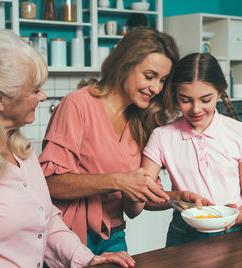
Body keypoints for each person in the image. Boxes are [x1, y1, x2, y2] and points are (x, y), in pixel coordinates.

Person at [0, 30, 135, 268]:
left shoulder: (20, 148)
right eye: (35, 90)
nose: (43, 97)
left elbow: (45, 218)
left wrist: (86, 257)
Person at [38, 27, 180, 254]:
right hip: (68, 237)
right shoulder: (78, 104)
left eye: (163, 80)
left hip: (113, 236)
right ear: (124, 64)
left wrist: (179, 199)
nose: (156, 88)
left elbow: (135, 208)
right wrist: (119, 181)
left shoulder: (143, 120)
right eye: (149, 76)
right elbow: (50, 183)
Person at [141, 52, 242, 247]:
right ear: (174, 94)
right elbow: (145, 199)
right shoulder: (161, 137)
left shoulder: (241, 133)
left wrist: (235, 217)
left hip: (232, 233)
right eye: (186, 100)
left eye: (205, 100)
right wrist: (178, 199)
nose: (196, 109)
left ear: (220, 92)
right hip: (183, 234)